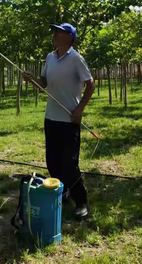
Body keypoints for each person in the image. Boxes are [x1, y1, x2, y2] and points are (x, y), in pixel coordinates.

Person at [24, 23, 95, 218]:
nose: (55, 34)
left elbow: (91, 85)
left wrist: (79, 110)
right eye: (55, 31)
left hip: (69, 119)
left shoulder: (76, 59)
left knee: (69, 163)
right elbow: (43, 82)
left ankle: (81, 201)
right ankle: (62, 192)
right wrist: (32, 81)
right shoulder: (50, 57)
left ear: (70, 37)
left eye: (60, 31)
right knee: (52, 161)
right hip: (51, 118)